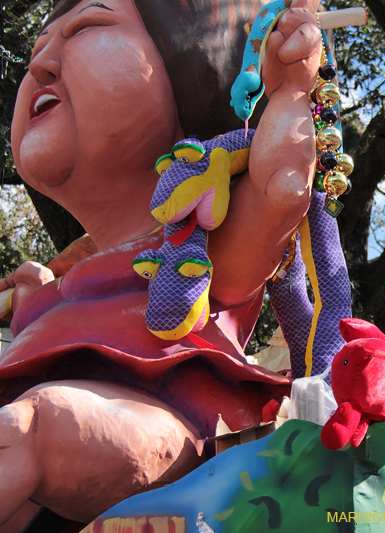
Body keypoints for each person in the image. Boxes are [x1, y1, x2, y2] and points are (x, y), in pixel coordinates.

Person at [0, 0, 322, 524]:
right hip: (37, 436)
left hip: (172, 429)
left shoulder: (206, 230)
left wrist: (288, 94)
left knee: (31, 428)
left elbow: (281, 189)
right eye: (37, 48)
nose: (40, 66)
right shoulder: (65, 279)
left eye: (86, 28)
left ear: (194, 68)